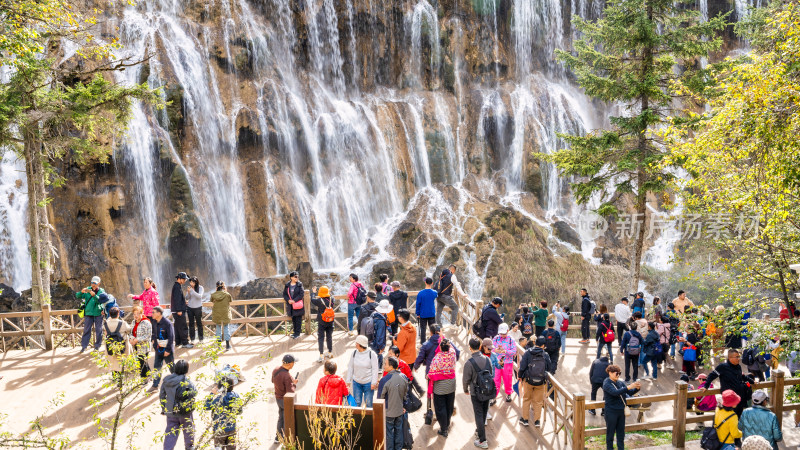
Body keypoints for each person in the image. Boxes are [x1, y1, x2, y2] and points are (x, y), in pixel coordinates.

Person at [463, 336, 494, 449]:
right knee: (484, 411)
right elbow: (491, 374)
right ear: (480, 346)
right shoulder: (488, 359)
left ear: (470, 348)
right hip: (487, 390)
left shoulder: (469, 363)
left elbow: (466, 379)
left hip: (476, 392)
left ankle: (482, 440)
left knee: (478, 414)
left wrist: (466, 389)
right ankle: (479, 431)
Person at [703, 349, 753, 417]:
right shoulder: (723, 367)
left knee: (738, 416)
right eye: (737, 357)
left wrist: (752, 381)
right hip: (729, 400)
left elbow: (742, 376)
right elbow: (711, 375)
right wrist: (706, 386)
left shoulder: (738, 366)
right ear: (730, 358)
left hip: (739, 399)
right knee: (730, 417)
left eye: (739, 357)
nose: (739, 359)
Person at [160, 359, 196, 450]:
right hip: (185, 411)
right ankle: (189, 447)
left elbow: (162, 396)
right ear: (186, 370)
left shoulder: (167, 380)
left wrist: (164, 408)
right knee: (188, 431)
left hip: (171, 411)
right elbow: (194, 392)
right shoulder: (186, 381)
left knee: (171, 433)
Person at [603, 365, 641, 450]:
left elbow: (629, 392)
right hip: (611, 411)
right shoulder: (607, 383)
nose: (618, 375)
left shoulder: (620, 382)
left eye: (619, 373)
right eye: (617, 373)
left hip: (621, 411)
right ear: (610, 373)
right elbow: (615, 392)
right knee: (610, 434)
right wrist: (629, 387)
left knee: (621, 433)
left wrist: (636, 388)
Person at [518, 336, 553, 427]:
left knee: (526, 399)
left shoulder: (528, 353)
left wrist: (520, 376)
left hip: (528, 380)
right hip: (541, 381)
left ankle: (525, 419)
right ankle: (537, 421)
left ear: (535, 343)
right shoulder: (545, 355)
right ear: (543, 345)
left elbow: (522, 367)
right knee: (538, 401)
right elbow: (550, 368)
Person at [427, 338, 457, 437]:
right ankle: (447, 424)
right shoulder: (452, 354)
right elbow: (452, 347)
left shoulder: (437, 358)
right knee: (449, 406)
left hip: (440, 387)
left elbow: (431, 373)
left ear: (440, 347)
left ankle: (444, 429)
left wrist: (428, 376)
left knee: (440, 408)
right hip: (451, 385)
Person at [377, 356, 408, 450]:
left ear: (391, 366)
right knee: (399, 430)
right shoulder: (404, 377)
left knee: (389, 432)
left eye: (385, 364)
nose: (384, 366)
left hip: (388, 412)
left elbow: (379, 398)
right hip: (399, 410)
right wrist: (404, 406)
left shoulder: (385, 380)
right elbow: (405, 395)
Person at [204, 376, 241, 450]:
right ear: (232, 386)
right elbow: (240, 411)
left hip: (219, 429)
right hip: (232, 428)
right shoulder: (236, 396)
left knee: (219, 448)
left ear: (221, 387)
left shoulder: (219, 399)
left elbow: (206, 407)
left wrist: (212, 393)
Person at [346, 335, 380, 407]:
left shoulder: (372, 354)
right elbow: (350, 367)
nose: (355, 344)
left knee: (368, 403)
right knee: (357, 403)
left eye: (356, 343)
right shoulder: (354, 353)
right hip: (356, 382)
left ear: (360, 344)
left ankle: (368, 418)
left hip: (368, 383)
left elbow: (375, 369)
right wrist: (348, 380)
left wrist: (373, 382)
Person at [272, 354, 298, 444]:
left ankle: (278, 437)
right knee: (287, 419)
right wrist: (294, 384)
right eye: (293, 363)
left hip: (278, 398)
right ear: (290, 364)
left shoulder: (275, 369)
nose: (293, 364)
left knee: (281, 417)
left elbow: (273, 380)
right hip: (285, 400)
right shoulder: (286, 375)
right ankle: (287, 438)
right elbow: (290, 392)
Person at [77, 276, 106, 353]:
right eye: (92, 282)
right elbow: (77, 296)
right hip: (88, 313)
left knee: (99, 330)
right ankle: (84, 346)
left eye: (95, 283)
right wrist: (81, 292)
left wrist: (94, 296)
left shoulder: (101, 291)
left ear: (98, 284)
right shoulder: (87, 289)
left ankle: (97, 346)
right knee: (86, 330)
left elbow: (100, 301)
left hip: (98, 313)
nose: (93, 284)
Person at [150, 307, 175, 391]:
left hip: (166, 349)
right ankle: (155, 385)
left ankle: (179, 381)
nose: (152, 314)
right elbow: (153, 333)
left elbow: (171, 337)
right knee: (157, 366)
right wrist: (153, 341)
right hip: (158, 348)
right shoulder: (154, 322)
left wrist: (168, 350)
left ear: (159, 313)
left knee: (171, 366)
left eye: (153, 312)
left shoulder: (167, 323)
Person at [491, 323, 516, 403]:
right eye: (501, 333)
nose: (502, 335)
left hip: (507, 362)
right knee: (495, 379)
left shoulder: (511, 340)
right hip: (497, 362)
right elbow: (490, 348)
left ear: (508, 331)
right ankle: (494, 396)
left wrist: (506, 351)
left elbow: (513, 351)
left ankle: (508, 394)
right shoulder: (496, 338)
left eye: (504, 333)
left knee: (507, 379)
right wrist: (495, 350)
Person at [310, 286, 335, 362]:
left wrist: (313, 292)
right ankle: (330, 352)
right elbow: (330, 296)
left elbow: (312, 299)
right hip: (330, 320)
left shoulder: (319, 300)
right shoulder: (332, 299)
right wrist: (329, 291)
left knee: (321, 338)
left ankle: (321, 355)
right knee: (329, 337)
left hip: (322, 321)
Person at [170, 272, 192, 349]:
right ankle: (185, 343)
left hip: (175, 310)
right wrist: (179, 310)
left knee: (177, 326)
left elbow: (178, 299)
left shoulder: (177, 286)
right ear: (179, 278)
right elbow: (177, 299)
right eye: (184, 279)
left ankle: (178, 342)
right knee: (183, 326)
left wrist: (183, 302)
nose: (185, 280)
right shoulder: (177, 287)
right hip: (178, 311)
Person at [130, 305, 152, 379]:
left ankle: (144, 379)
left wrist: (137, 340)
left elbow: (148, 335)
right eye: (134, 314)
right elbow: (131, 333)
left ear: (142, 314)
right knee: (143, 361)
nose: (136, 316)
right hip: (135, 345)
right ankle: (149, 374)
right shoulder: (133, 322)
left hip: (144, 346)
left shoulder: (146, 322)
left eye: (138, 314)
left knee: (141, 362)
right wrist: (131, 339)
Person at [210, 281, 233, 351]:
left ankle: (219, 346)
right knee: (226, 328)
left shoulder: (213, 295)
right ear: (223, 287)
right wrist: (225, 291)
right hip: (225, 313)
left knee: (218, 329)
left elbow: (211, 300)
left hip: (217, 314)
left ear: (216, 287)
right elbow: (230, 300)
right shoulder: (227, 294)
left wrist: (216, 291)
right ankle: (227, 346)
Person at [416, 277, 438, 345]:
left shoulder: (420, 293)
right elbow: (436, 295)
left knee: (423, 329)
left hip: (423, 313)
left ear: (425, 282)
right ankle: (434, 342)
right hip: (431, 313)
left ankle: (423, 343)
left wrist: (418, 313)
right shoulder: (434, 292)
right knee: (433, 328)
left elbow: (418, 304)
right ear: (432, 283)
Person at [588, 351, 611, 416]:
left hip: (595, 380)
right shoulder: (609, 364)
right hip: (605, 381)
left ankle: (592, 409)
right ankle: (603, 411)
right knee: (605, 394)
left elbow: (591, 372)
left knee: (593, 393)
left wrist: (591, 381)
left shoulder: (595, 362)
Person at [283, 271, 304, 339]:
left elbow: (301, 294)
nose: (297, 278)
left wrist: (294, 300)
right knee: (294, 319)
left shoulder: (299, 284)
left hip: (297, 304)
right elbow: (284, 294)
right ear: (291, 277)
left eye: (297, 276)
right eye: (295, 276)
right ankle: (295, 332)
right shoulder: (287, 285)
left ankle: (297, 334)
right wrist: (288, 300)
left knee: (298, 319)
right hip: (291, 305)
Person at [371, 300, 392, 367]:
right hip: (376, 343)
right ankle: (379, 368)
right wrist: (381, 347)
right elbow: (380, 335)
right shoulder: (381, 321)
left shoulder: (373, 314)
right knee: (378, 357)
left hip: (371, 339)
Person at [185, 276, 204, 344]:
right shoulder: (190, 288)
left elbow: (200, 296)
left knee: (199, 323)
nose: (191, 283)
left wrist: (192, 291)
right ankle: (192, 339)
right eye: (190, 282)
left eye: (192, 282)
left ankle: (201, 339)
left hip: (198, 307)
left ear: (196, 282)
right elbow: (187, 297)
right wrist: (188, 292)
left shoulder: (200, 288)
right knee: (191, 324)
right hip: (190, 308)